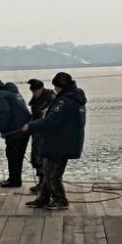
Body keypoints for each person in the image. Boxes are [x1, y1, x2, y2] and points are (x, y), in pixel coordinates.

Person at [21, 72, 87, 210]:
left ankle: (60, 200)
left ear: (61, 86)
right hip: (62, 141)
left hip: (61, 143)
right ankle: (43, 198)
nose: (55, 89)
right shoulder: (73, 98)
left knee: (53, 174)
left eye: (56, 87)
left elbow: (51, 121)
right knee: (47, 170)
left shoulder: (65, 101)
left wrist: (31, 126)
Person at [0, 79, 30, 188]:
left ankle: (14, 181)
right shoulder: (13, 93)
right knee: (17, 156)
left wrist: (3, 131)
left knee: (12, 155)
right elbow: (15, 113)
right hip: (24, 129)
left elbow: (4, 115)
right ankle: (16, 179)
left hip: (15, 131)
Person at [26, 78, 56, 193]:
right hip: (36, 133)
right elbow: (34, 114)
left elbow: (50, 116)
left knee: (43, 159)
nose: (34, 93)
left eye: (35, 91)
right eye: (32, 91)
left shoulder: (50, 98)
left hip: (45, 134)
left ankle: (45, 185)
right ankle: (41, 183)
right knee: (36, 158)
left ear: (41, 88)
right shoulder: (35, 99)